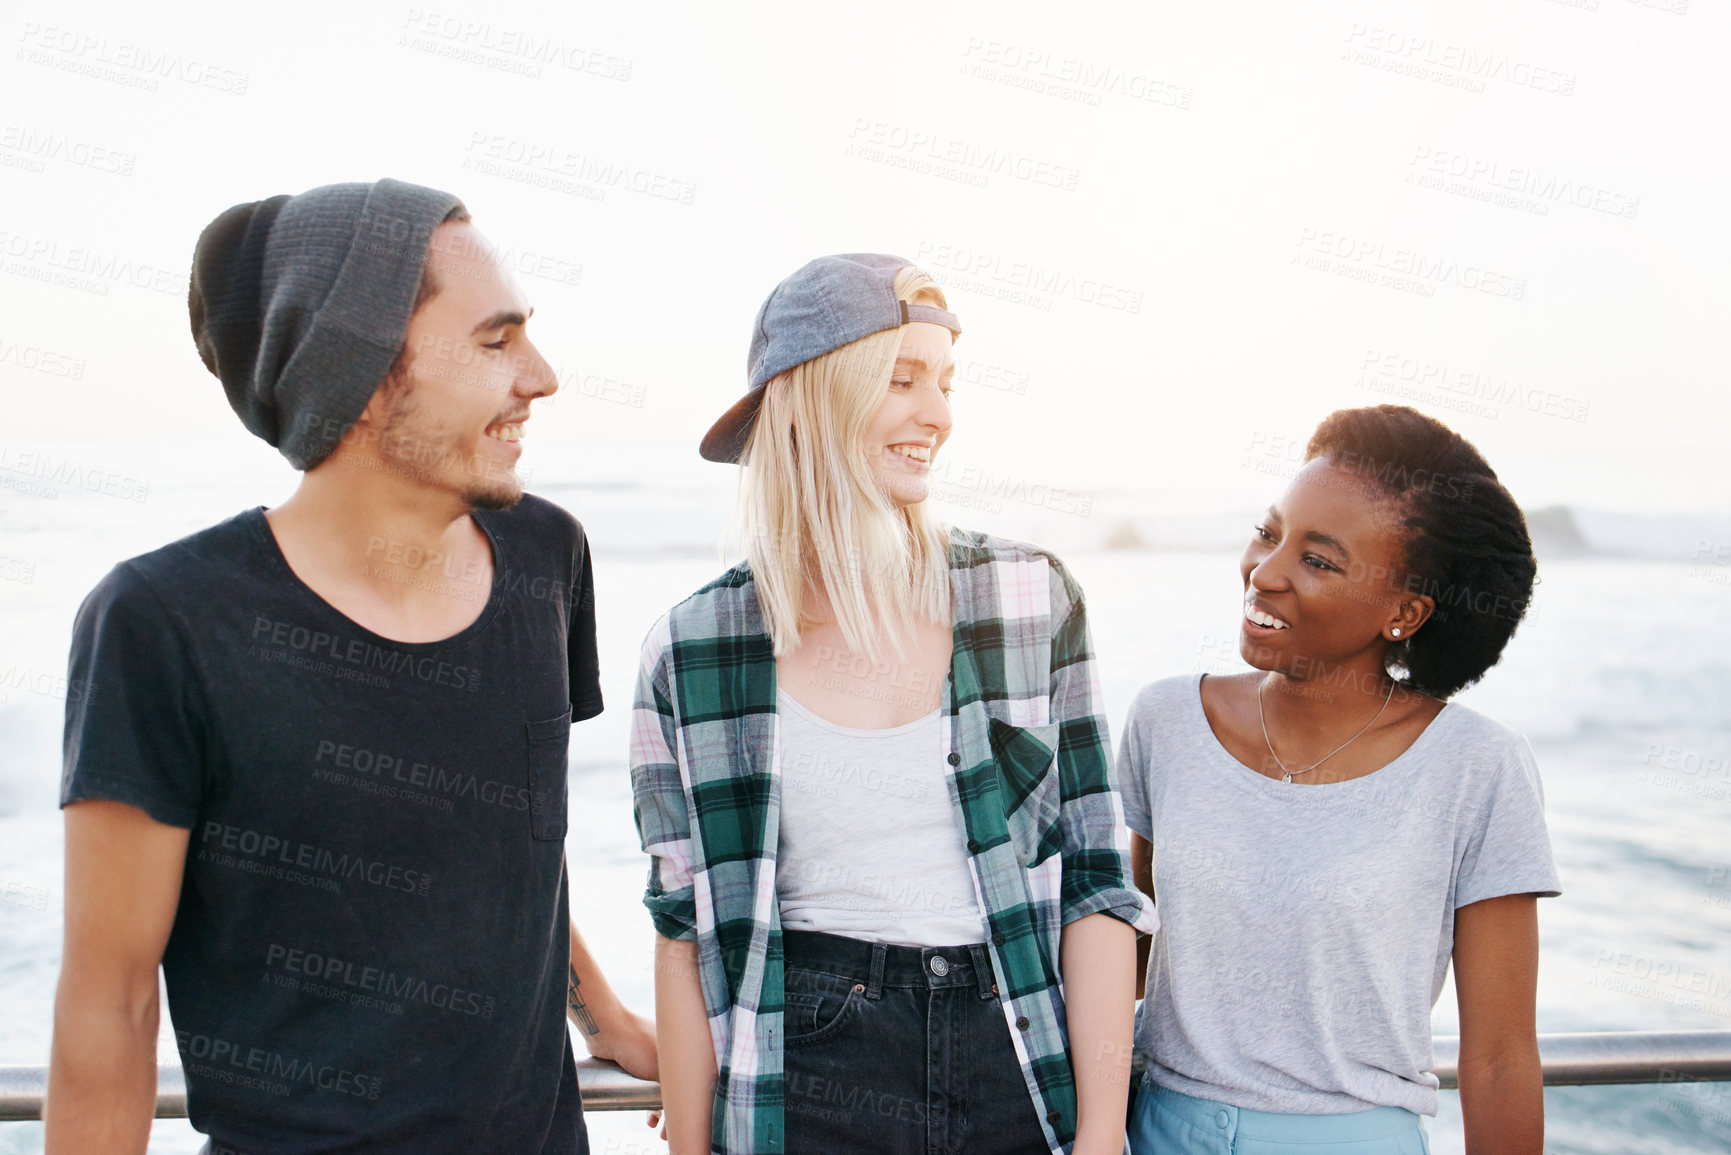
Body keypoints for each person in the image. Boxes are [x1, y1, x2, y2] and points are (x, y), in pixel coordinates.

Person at [46, 179, 655, 1154]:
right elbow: (108, 1003)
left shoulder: (546, 558)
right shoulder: (163, 622)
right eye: (496, 342)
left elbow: (512, 848)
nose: (540, 376)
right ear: (367, 375)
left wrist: (604, 1016)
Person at [629, 254, 1156, 1155]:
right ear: (805, 398)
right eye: (901, 379)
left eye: (945, 384)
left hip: (1017, 1057)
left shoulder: (1030, 598)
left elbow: (1094, 887)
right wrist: (690, 1145)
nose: (938, 416)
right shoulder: (693, 645)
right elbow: (684, 930)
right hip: (812, 1069)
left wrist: (1101, 1137)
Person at [1119, 404, 1561, 1155]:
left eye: (1317, 560)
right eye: (1268, 531)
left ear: (1404, 611)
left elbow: (1497, 1056)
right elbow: (1129, 955)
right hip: (1155, 1130)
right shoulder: (1165, 720)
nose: (1264, 571)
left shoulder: (1475, 766)